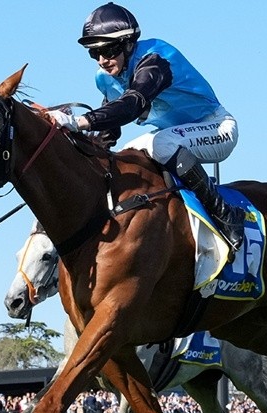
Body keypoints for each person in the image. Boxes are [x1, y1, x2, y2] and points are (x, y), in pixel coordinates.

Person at [47, 3, 245, 252]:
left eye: (108, 50)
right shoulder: (105, 78)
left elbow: (131, 105)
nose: (102, 60)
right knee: (127, 156)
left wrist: (78, 121)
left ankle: (224, 213)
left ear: (129, 44)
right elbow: (109, 132)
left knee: (161, 144)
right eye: (94, 53)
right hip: (177, 135)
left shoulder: (156, 60)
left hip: (216, 128)